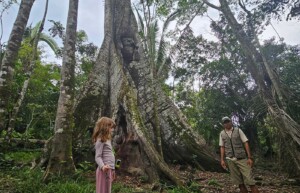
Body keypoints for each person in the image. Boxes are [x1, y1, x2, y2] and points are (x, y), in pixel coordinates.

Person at [219, 116, 259, 193]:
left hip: (242, 159)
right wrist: (222, 160)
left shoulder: (238, 130)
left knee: (251, 181)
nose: (227, 124)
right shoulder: (222, 133)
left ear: (231, 122)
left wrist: (249, 157)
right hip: (230, 160)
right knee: (239, 183)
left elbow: (245, 142)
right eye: (225, 123)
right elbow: (222, 147)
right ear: (223, 124)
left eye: (228, 122)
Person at [92, 117, 116, 193]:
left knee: (107, 190)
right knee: (102, 191)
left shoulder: (107, 139)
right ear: (105, 127)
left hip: (109, 169)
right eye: (111, 127)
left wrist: (113, 170)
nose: (112, 130)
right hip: (104, 170)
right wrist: (102, 166)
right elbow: (98, 157)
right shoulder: (100, 140)